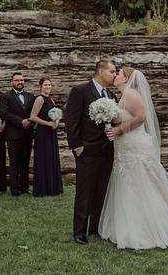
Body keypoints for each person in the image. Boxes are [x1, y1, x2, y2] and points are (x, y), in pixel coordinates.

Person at [100, 67, 168, 250]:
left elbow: (140, 118)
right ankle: (129, 222)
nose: (115, 76)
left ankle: (150, 226)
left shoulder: (132, 94)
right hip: (124, 146)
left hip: (135, 145)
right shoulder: (122, 95)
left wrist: (118, 129)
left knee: (142, 182)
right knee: (128, 183)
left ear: (127, 78)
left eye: (119, 74)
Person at [65, 60, 117, 245]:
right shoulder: (80, 91)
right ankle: (79, 231)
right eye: (112, 71)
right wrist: (76, 145)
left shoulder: (111, 95)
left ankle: (95, 228)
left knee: (101, 190)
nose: (114, 75)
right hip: (86, 150)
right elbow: (71, 120)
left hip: (107, 151)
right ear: (100, 71)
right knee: (84, 192)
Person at [0, 72, 35, 196]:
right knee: (14, 162)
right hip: (13, 134)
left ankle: (25, 187)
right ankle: (14, 188)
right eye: (16, 80)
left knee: (25, 161)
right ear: (12, 82)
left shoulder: (31, 96)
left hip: (27, 133)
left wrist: (29, 122)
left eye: (21, 80)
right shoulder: (5, 97)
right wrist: (20, 122)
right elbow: (4, 113)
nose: (19, 82)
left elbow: (33, 113)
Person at [29, 78, 63, 197]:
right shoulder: (40, 98)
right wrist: (48, 123)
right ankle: (42, 188)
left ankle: (52, 187)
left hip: (50, 132)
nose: (48, 87)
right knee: (44, 157)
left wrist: (57, 121)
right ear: (41, 86)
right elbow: (32, 117)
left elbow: (56, 113)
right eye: (45, 85)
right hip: (42, 132)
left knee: (51, 157)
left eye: (49, 84)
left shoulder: (51, 99)